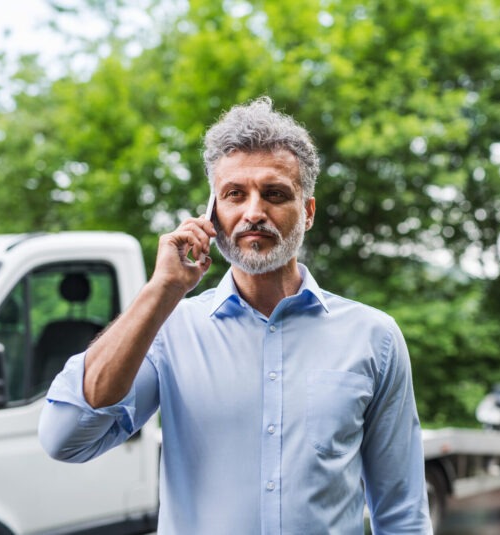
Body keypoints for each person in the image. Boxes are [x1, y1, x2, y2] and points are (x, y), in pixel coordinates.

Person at [38, 97, 432, 534]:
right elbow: (65, 437)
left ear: (308, 212)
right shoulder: (171, 331)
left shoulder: (373, 337)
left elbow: (402, 512)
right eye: (234, 195)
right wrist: (162, 289)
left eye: (275, 194)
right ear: (213, 214)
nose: (254, 213)